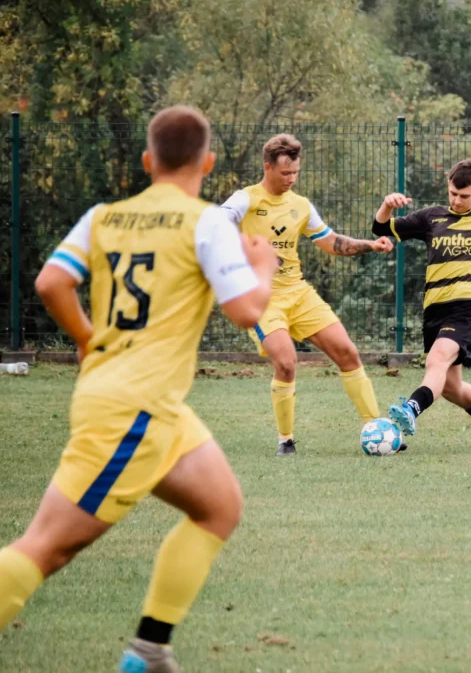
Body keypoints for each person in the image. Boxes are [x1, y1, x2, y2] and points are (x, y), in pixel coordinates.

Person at [0, 106, 277, 672]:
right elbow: (247, 310)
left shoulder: (104, 216)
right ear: (208, 163)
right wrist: (264, 265)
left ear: (148, 161)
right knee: (45, 548)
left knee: (219, 508)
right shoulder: (206, 223)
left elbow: (51, 282)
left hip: (141, 402)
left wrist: (86, 337)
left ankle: (149, 650)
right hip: (134, 410)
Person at [221, 134, 394, 456]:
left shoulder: (300, 206)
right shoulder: (245, 200)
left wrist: (371, 245)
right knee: (287, 363)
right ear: (267, 167)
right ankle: (285, 440)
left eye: (295, 172)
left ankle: (375, 427)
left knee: (348, 353)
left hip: (299, 293)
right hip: (262, 298)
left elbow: (331, 242)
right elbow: (216, 224)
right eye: (285, 172)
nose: (291, 179)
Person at [372, 159, 471, 447]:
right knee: (450, 387)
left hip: (466, 307)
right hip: (434, 309)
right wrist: (387, 205)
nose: (457, 201)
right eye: (453, 194)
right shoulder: (430, 217)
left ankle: (411, 409)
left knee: (436, 361)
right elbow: (380, 227)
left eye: (464, 196)